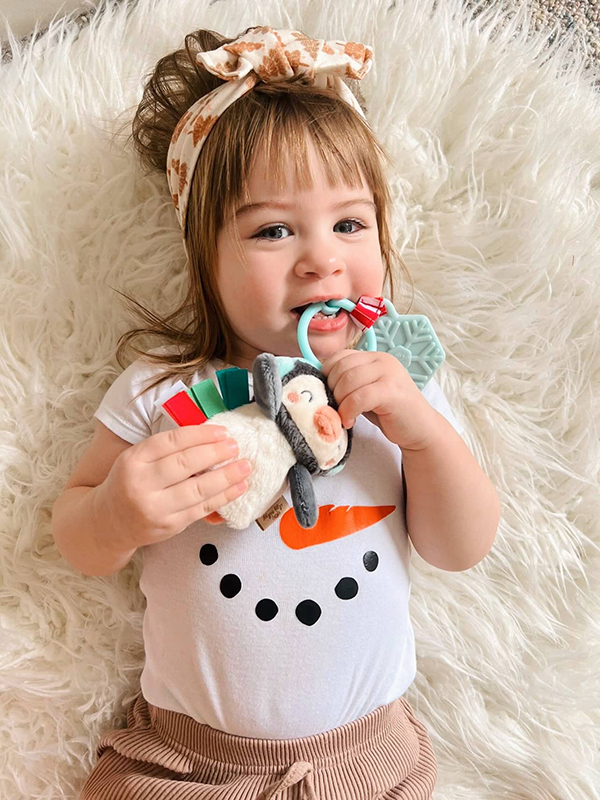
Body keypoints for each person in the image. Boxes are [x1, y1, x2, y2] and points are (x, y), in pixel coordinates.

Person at [52, 25, 500, 800]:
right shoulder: (164, 389)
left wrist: (423, 437)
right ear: (205, 258)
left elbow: (461, 547)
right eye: (273, 230)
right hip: (184, 765)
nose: (322, 258)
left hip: (366, 758)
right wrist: (121, 511)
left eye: (350, 224)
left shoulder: (398, 386)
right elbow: (76, 537)